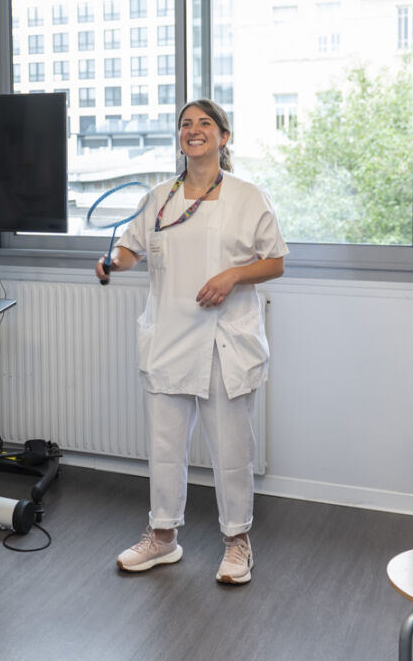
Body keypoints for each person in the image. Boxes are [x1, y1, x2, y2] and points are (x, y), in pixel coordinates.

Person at [96, 99, 286, 586]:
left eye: (204, 124)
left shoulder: (248, 196)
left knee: (231, 451)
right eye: (185, 124)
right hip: (169, 337)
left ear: (224, 137)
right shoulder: (161, 196)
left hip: (226, 341)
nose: (193, 130)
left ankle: (238, 542)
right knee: (163, 448)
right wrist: (114, 262)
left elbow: (275, 262)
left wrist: (233, 276)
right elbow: (132, 248)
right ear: (179, 138)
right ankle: (162, 538)